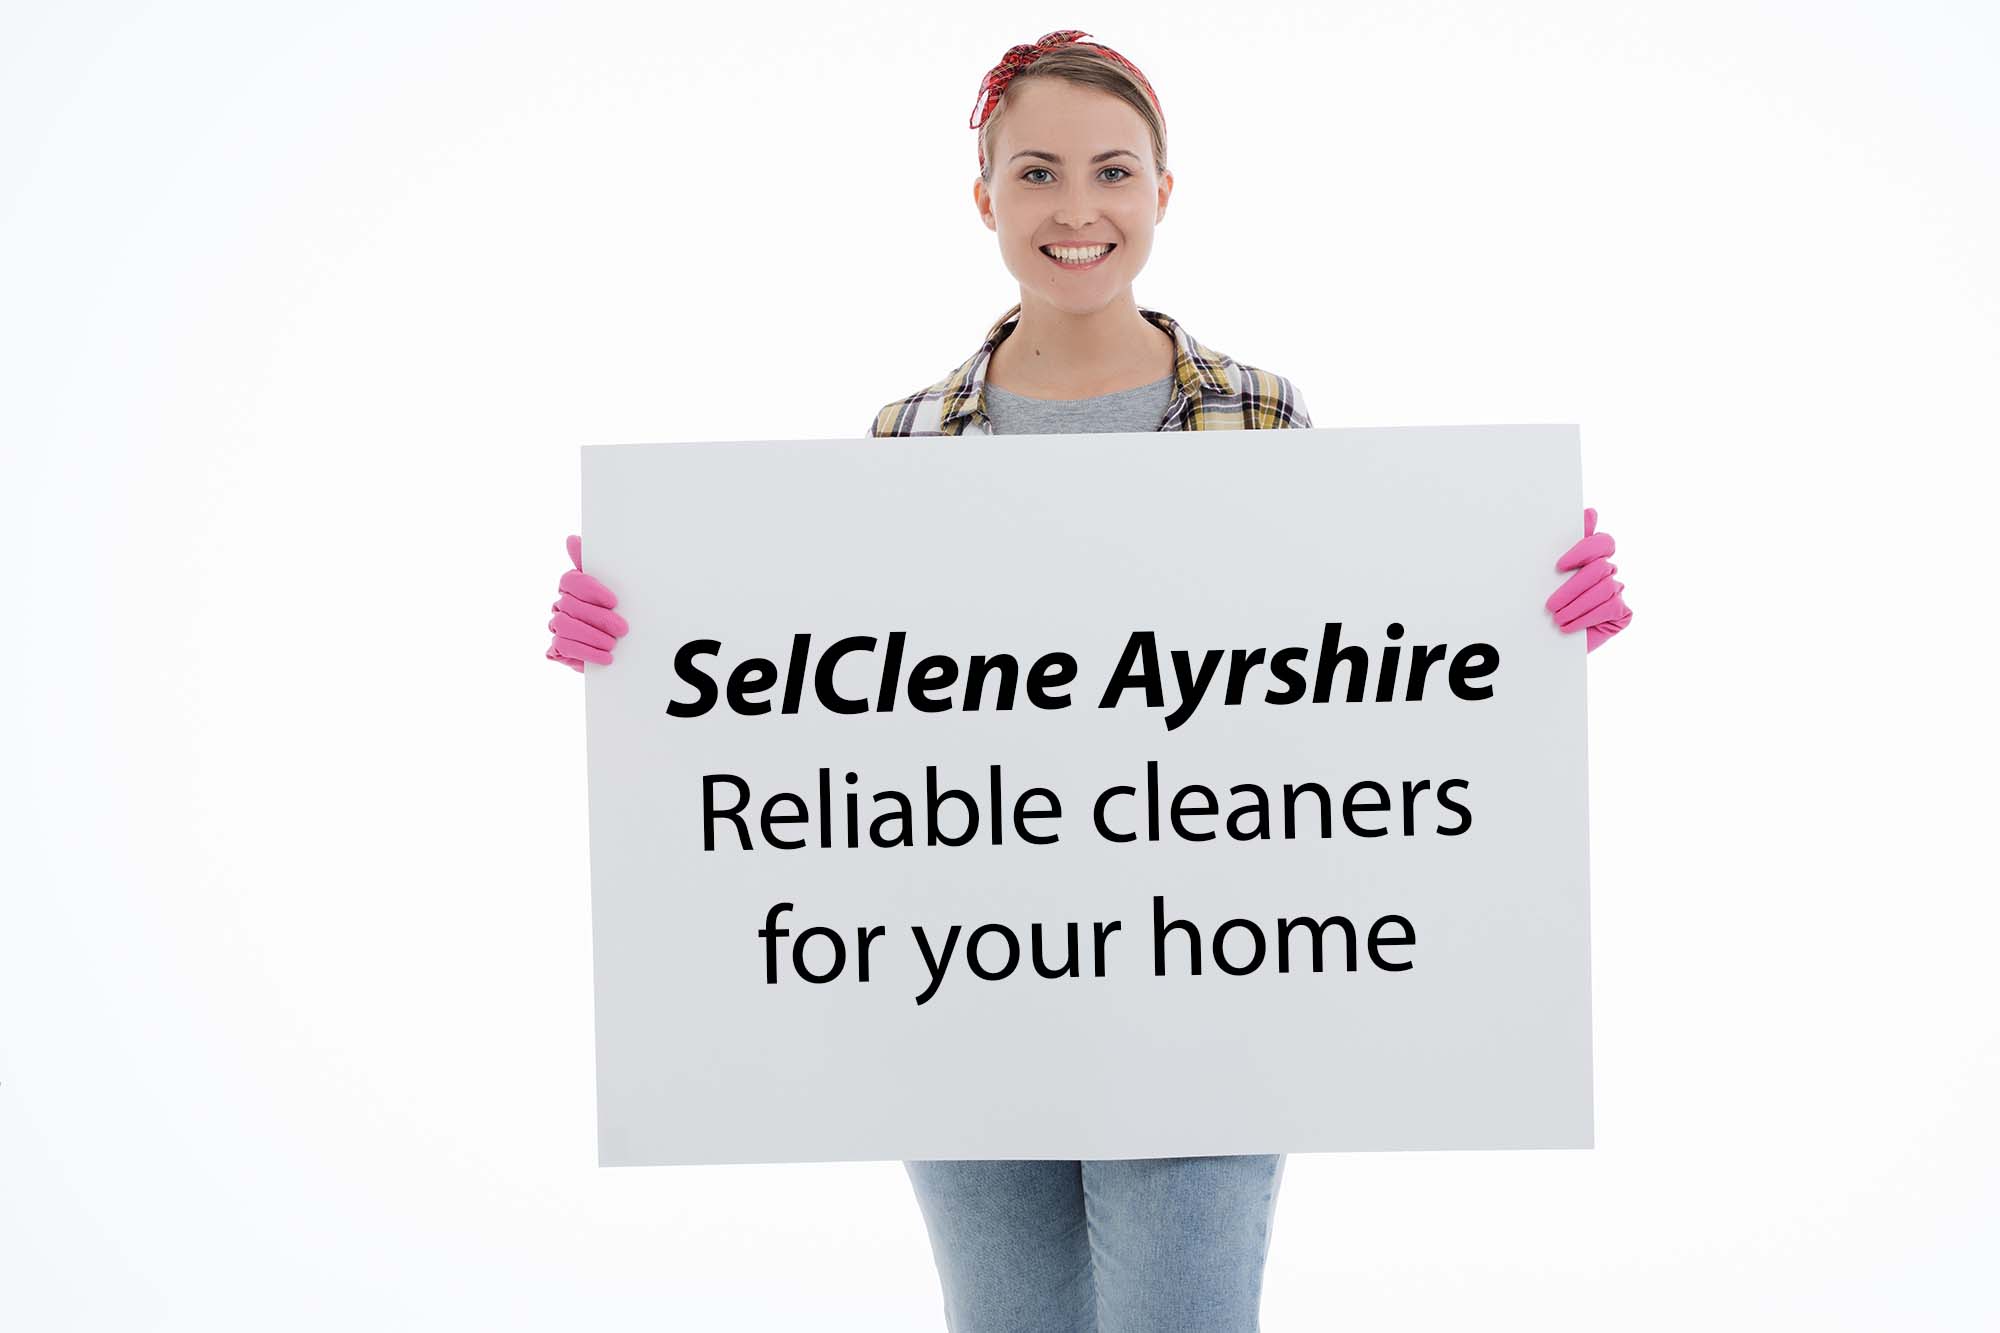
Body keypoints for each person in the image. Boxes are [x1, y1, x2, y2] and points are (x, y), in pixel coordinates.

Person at [543, 30, 1632, 1332]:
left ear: (1164, 192)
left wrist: (1531, 608)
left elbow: (1363, 685)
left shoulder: (1262, 418)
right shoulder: (905, 440)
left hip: (1212, 974)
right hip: (960, 970)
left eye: (1113, 172)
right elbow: (821, 704)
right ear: (983, 196)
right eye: (1036, 174)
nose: (1076, 210)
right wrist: (641, 633)